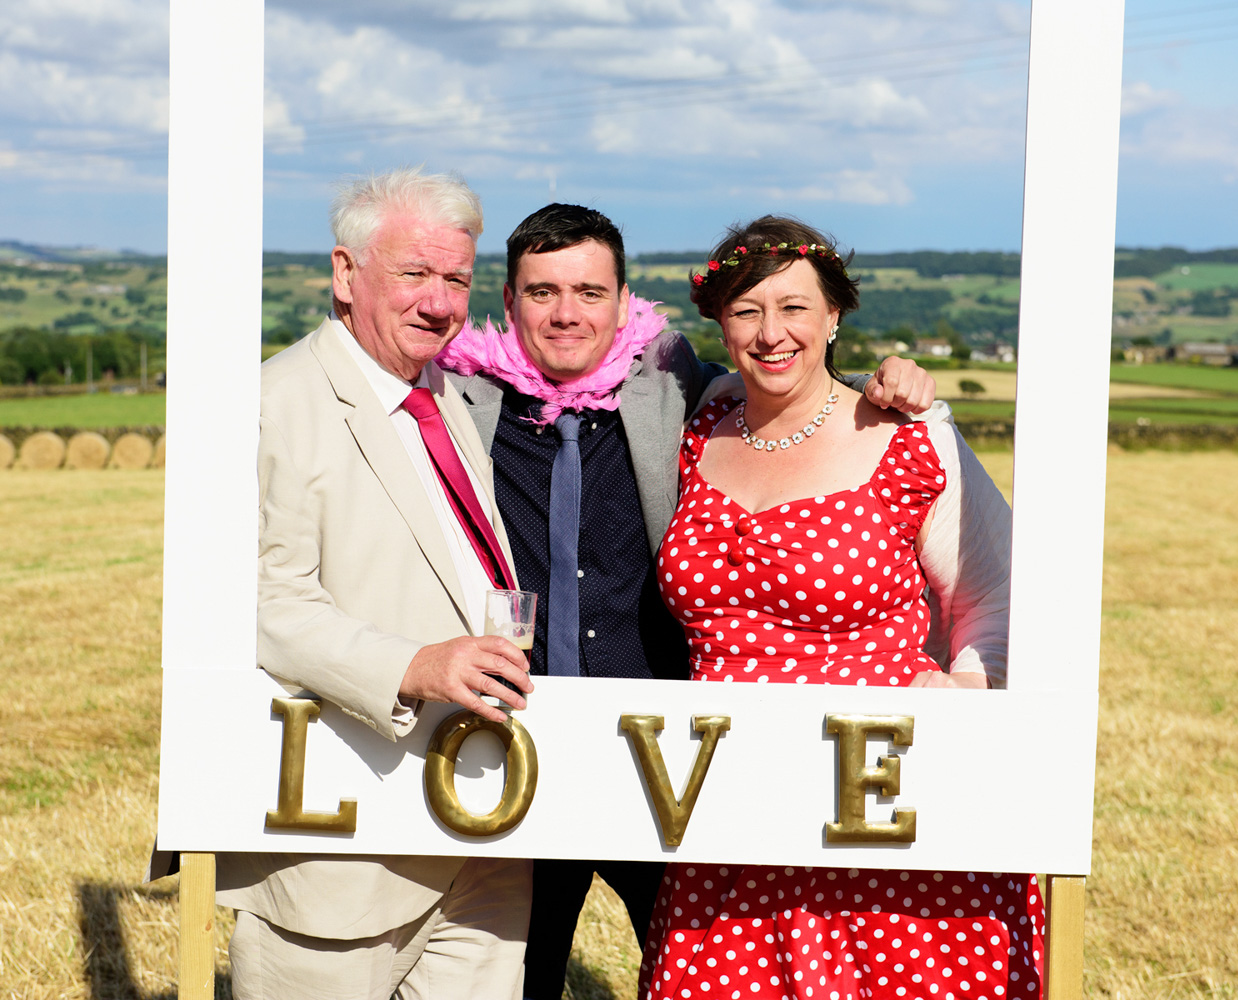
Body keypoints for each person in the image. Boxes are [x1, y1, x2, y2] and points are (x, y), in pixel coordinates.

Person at [434, 203, 937, 1000]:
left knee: (694, 970)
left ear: (626, 300)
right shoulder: (458, 402)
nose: (567, 313)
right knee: (512, 980)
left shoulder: (680, 397)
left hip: (665, 755)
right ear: (508, 297)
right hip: (519, 745)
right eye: (543, 292)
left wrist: (893, 379)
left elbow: (790, 392)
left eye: (591, 292)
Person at [637, 215, 1044, 999]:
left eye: (794, 307)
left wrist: (965, 690)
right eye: (747, 310)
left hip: (882, 793)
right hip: (732, 804)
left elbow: (997, 590)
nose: (771, 332)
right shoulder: (702, 426)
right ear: (721, 322)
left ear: (834, 316)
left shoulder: (909, 438)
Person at [218, 168, 535, 1000]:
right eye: (414, 275)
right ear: (344, 273)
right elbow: (259, 602)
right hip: (343, 847)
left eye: (457, 280)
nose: (439, 302)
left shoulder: (444, 397)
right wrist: (412, 665)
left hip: (477, 834)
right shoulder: (271, 403)